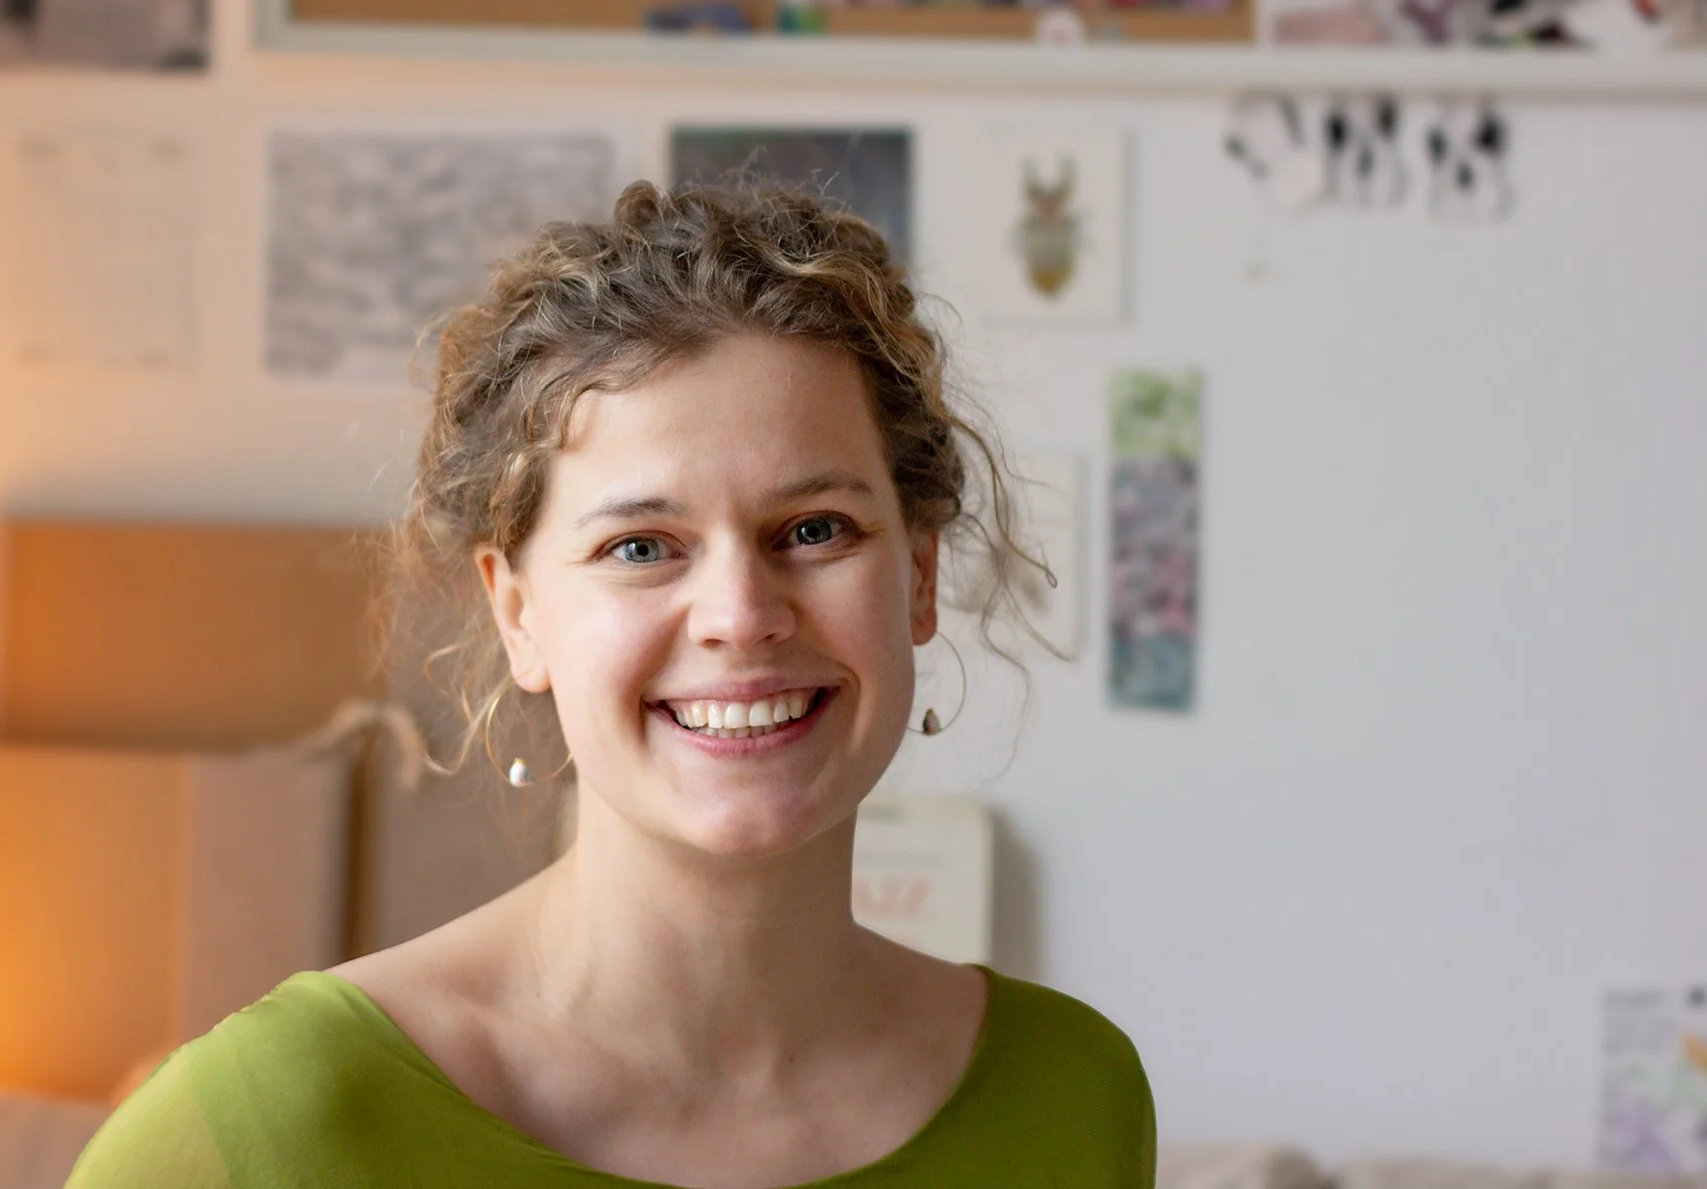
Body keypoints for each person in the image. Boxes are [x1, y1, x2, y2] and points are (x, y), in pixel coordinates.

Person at [66, 180, 1155, 1187]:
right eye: (641, 546)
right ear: (518, 611)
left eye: (812, 529)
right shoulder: (283, 1118)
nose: (739, 613)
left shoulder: (1072, 1096)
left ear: (916, 574)